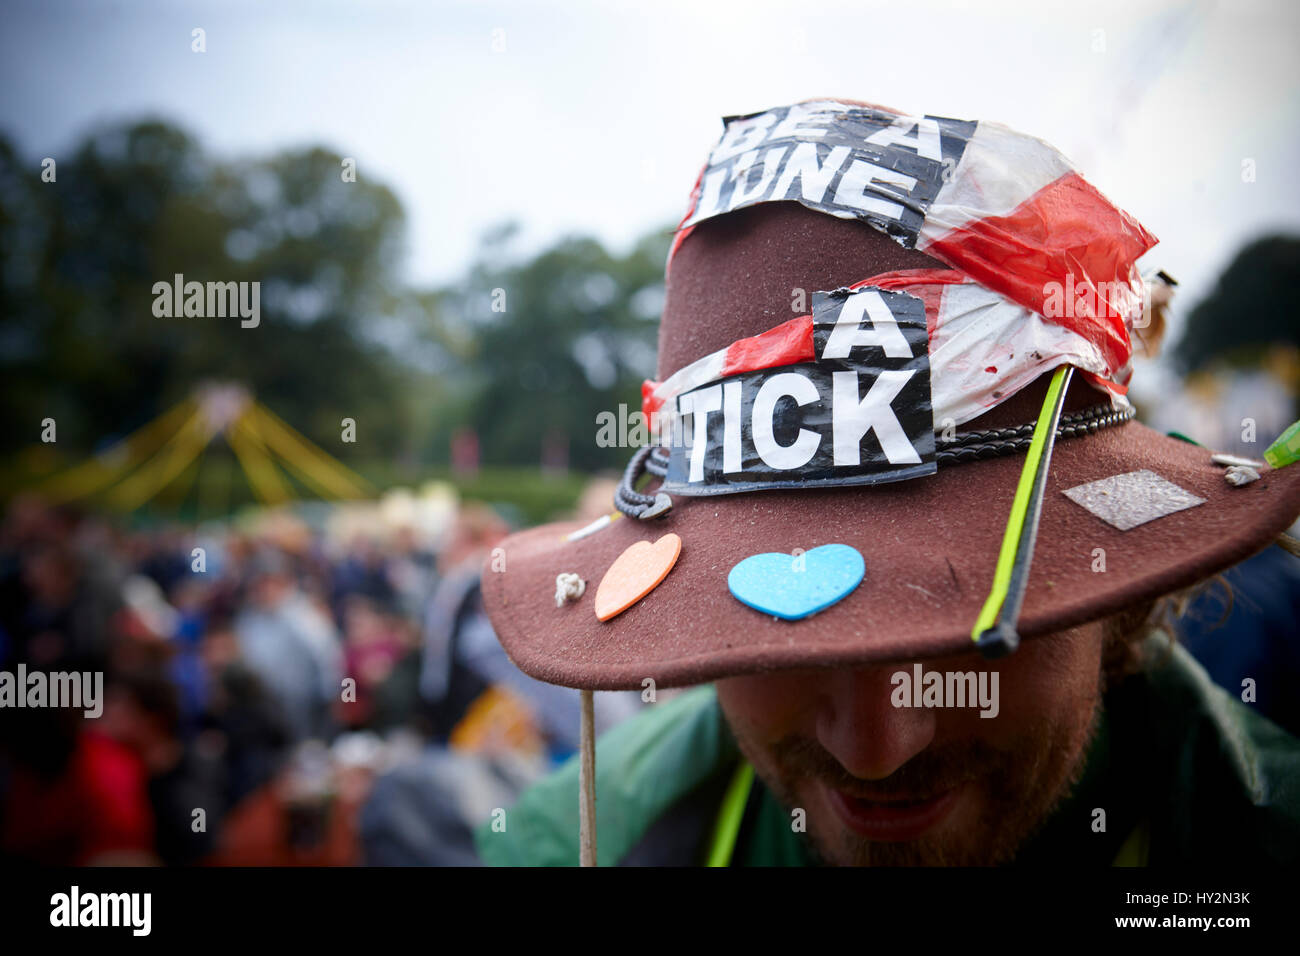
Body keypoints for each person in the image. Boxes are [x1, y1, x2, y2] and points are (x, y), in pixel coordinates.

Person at [471, 99, 1300, 866]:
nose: (876, 748)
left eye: (971, 627)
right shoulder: (578, 841)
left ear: (1120, 607)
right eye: (777, 629)